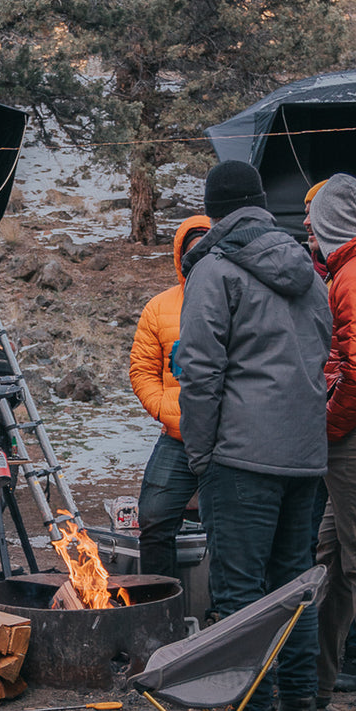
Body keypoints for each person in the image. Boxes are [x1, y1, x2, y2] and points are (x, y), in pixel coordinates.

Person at [178, 161, 332, 711]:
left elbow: (199, 372)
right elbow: (322, 350)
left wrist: (201, 453)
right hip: (304, 455)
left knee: (241, 596)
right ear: (262, 204)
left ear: (214, 211)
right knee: (294, 589)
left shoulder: (215, 270)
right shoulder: (308, 271)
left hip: (242, 456)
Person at [308, 173, 356, 711]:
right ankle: (315, 681)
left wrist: (329, 426)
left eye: (317, 216)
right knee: (328, 561)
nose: (307, 224)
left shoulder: (355, 274)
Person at [129, 215, 210, 577]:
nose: (199, 260)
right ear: (180, 256)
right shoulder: (159, 307)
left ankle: (220, 615)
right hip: (177, 437)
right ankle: (161, 604)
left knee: (225, 529)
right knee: (154, 519)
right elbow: (142, 371)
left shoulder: (240, 299)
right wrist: (166, 410)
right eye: (192, 253)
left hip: (228, 439)